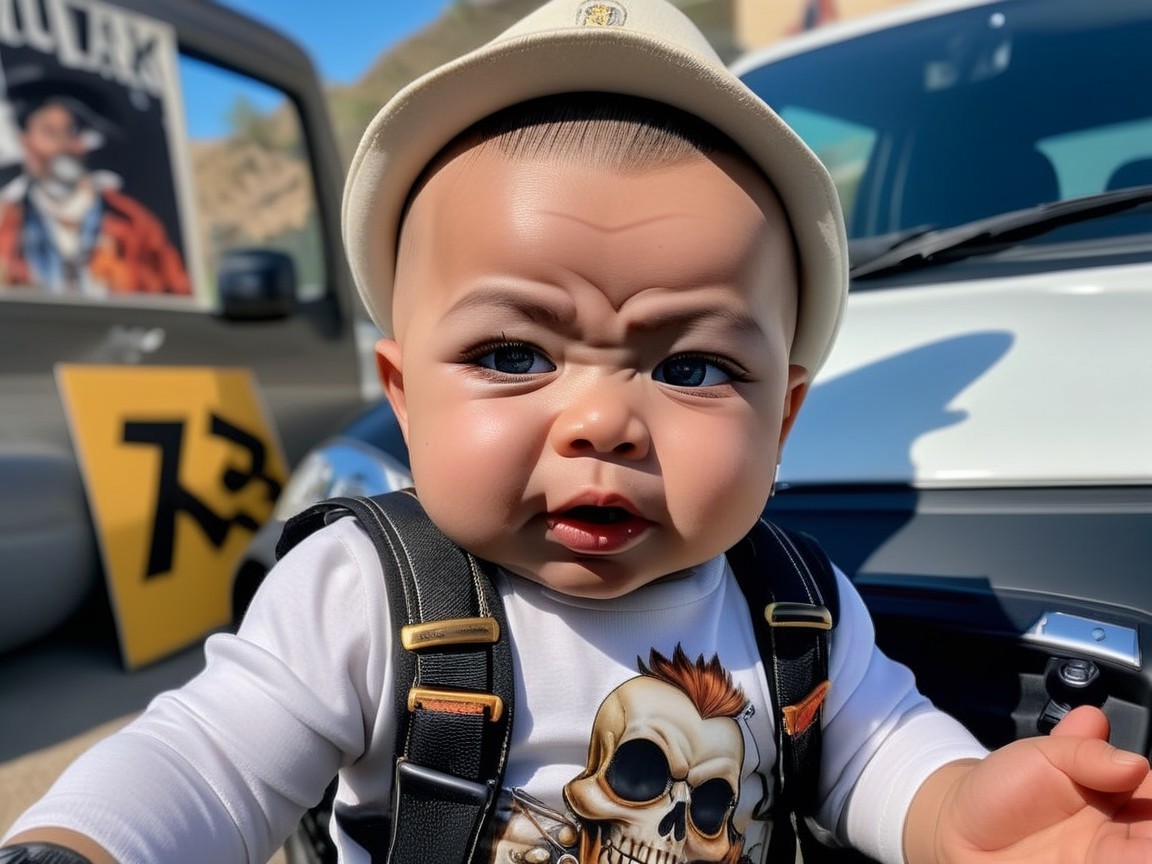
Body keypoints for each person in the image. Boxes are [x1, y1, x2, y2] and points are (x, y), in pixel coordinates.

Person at [4, 0, 1152, 862]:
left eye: (691, 366)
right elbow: (205, 763)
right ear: (404, 396)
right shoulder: (365, 592)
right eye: (514, 356)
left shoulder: (794, 600)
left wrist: (968, 816)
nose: (603, 419)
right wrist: (80, 845)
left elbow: (879, 757)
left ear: (783, 413)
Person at [0, 87, 190, 297]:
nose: (63, 146)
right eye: (49, 133)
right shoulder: (6, 222)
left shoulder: (135, 223)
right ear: (25, 141)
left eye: (72, 132)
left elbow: (177, 291)